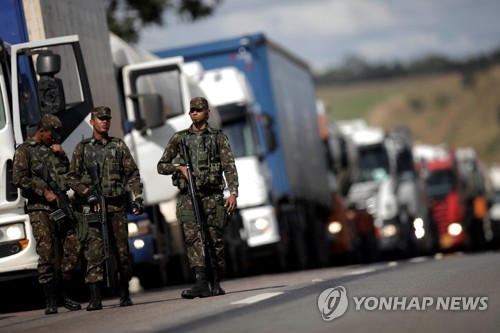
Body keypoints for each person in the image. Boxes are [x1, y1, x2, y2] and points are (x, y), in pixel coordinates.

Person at [157, 97, 238, 298]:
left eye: (198, 110)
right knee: (194, 239)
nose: (194, 113)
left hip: (212, 196)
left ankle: (216, 280)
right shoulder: (180, 138)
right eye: (192, 110)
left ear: (207, 113)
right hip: (188, 197)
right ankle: (201, 282)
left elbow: (229, 166)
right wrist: (179, 168)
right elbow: (161, 166)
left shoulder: (217, 137)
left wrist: (233, 192)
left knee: (214, 239)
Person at [67, 106, 144, 309]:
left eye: (107, 119)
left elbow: (133, 174)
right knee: (94, 252)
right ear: (92, 121)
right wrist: (87, 193)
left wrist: (138, 198)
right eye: (100, 119)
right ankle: (95, 297)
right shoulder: (82, 148)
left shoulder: (118, 145)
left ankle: (124, 293)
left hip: (117, 207)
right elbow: (71, 177)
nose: (104, 122)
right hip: (93, 209)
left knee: (122, 252)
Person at [12, 114, 82, 315]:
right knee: (47, 254)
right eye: (52, 134)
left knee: (74, 245)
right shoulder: (24, 151)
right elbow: (18, 178)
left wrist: (63, 156)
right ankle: (52, 300)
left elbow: (69, 176)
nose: (55, 139)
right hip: (40, 209)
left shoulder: (54, 150)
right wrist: (44, 192)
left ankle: (66, 289)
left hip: (62, 206)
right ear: (42, 131)